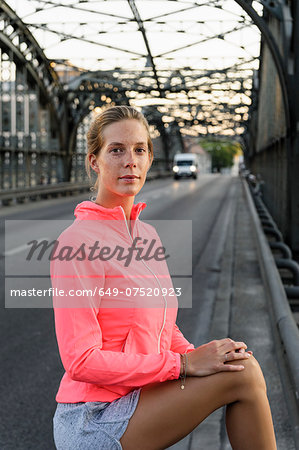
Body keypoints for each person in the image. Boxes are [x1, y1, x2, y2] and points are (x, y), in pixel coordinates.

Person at [51, 105, 277, 450]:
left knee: (237, 364)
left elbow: (162, 327)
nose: (130, 160)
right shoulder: (77, 243)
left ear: (149, 159)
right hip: (93, 416)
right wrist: (184, 364)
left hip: (139, 398)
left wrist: (200, 357)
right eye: (116, 150)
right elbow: (80, 361)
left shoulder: (147, 236)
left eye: (140, 149)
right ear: (94, 161)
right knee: (244, 376)